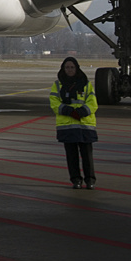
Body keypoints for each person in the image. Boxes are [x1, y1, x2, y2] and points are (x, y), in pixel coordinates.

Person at [49, 56, 98, 189]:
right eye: (67, 67)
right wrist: (68, 110)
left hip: (84, 125)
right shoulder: (58, 84)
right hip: (67, 126)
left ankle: (90, 180)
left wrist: (81, 112)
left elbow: (93, 103)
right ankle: (76, 180)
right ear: (63, 69)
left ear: (77, 69)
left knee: (87, 156)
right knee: (72, 157)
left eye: (72, 67)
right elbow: (54, 103)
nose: (69, 70)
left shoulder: (86, 84)